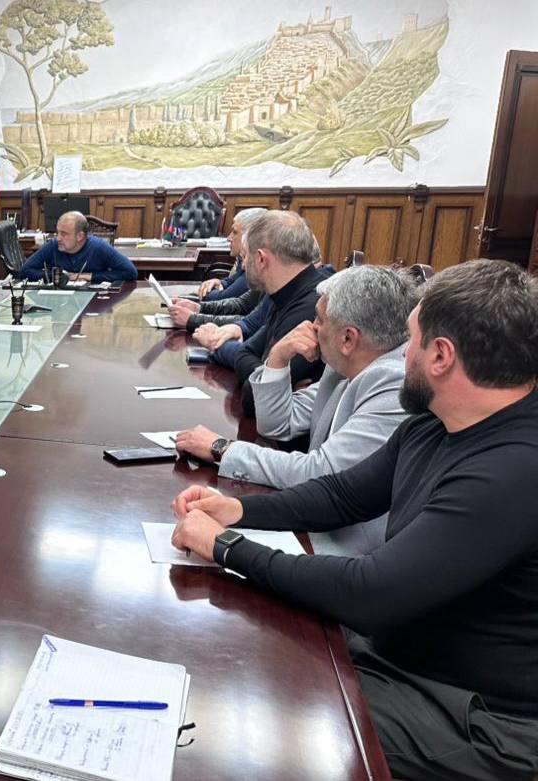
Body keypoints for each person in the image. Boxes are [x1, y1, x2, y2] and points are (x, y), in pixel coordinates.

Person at [169, 259, 538, 780]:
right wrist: (239, 510)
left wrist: (226, 547)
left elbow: (371, 593)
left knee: (264, 715)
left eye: (410, 341)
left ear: (440, 355)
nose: (401, 354)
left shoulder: (514, 468)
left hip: (481, 718)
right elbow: (342, 495)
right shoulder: (435, 423)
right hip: (406, 658)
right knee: (250, 651)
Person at [174, 265, 417, 554]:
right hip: (315, 525)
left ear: (348, 339)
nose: (311, 327)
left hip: (348, 551)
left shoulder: (393, 382)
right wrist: (278, 359)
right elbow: (277, 424)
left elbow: (322, 473)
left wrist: (221, 448)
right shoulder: (345, 368)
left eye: (319, 319)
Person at [227, 210, 327, 414]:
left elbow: (253, 399)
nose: (243, 264)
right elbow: (244, 353)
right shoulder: (282, 293)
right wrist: (272, 380)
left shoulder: (314, 306)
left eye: (246, 256)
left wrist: (266, 381)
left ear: (261, 259)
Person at [18, 211, 136, 284]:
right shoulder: (53, 245)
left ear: (80, 236)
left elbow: (130, 272)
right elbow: (25, 271)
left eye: (64, 234)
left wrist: (90, 276)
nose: (58, 238)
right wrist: (60, 276)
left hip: (92, 303)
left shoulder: (99, 247)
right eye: (58, 232)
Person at [195, 207, 265, 300]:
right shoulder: (245, 258)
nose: (229, 238)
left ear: (250, 236)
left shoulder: (255, 267)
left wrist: (206, 291)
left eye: (235, 232)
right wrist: (219, 282)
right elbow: (232, 280)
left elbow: (222, 297)